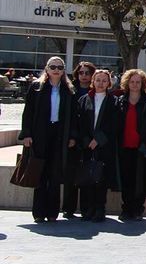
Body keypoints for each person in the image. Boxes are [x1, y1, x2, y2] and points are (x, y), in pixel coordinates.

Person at [19, 57, 78, 223]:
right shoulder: (37, 87)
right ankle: (38, 212)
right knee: (40, 173)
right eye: (53, 67)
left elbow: (74, 116)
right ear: (47, 68)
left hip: (60, 133)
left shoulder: (69, 89)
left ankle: (52, 212)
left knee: (55, 174)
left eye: (60, 67)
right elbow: (28, 112)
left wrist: (73, 136)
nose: (56, 70)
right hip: (40, 134)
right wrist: (27, 134)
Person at [115, 69, 146, 222]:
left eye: (138, 82)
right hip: (123, 146)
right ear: (127, 83)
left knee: (140, 180)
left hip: (141, 148)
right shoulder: (119, 101)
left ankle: (138, 209)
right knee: (126, 180)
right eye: (132, 82)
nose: (135, 84)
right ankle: (126, 209)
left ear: (143, 84)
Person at [76, 69, 117, 222]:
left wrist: (98, 139)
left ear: (109, 83)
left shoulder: (113, 101)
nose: (101, 83)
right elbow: (79, 123)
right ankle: (87, 210)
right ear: (93, 81)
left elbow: (113, 124)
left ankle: (99, 209)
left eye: (104, 81)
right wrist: (87, 140)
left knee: (101, 179)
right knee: (86, 178)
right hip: (86, 146)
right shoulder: (84, 99)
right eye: (98, 80)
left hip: (103, 146)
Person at [63, 60, 96, 219]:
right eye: (81, 73)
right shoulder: (70, 90)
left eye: (87, 73)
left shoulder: (96, 91)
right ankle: (68, 208)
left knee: (86, 175)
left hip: (89, 140)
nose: (84, 76)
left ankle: (85, 208)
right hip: (72, 139)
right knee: (70, 175)